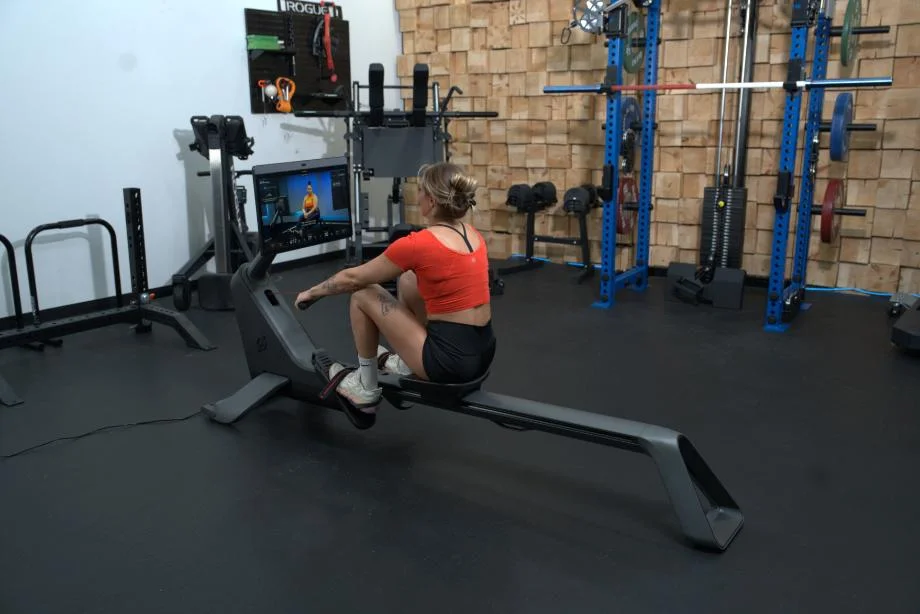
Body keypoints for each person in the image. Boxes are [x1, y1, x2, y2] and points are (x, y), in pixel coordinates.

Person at [294, 162, 496, 411]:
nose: (417, 195)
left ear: (431, 201)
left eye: (420, 190)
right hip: (483, 352)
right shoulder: (473, 234)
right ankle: (408, 361)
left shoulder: (419, 244)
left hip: (448, 364)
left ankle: (365, 387)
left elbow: (354, 279)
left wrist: (312, 293)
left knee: (363, 293)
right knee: (409, 278)